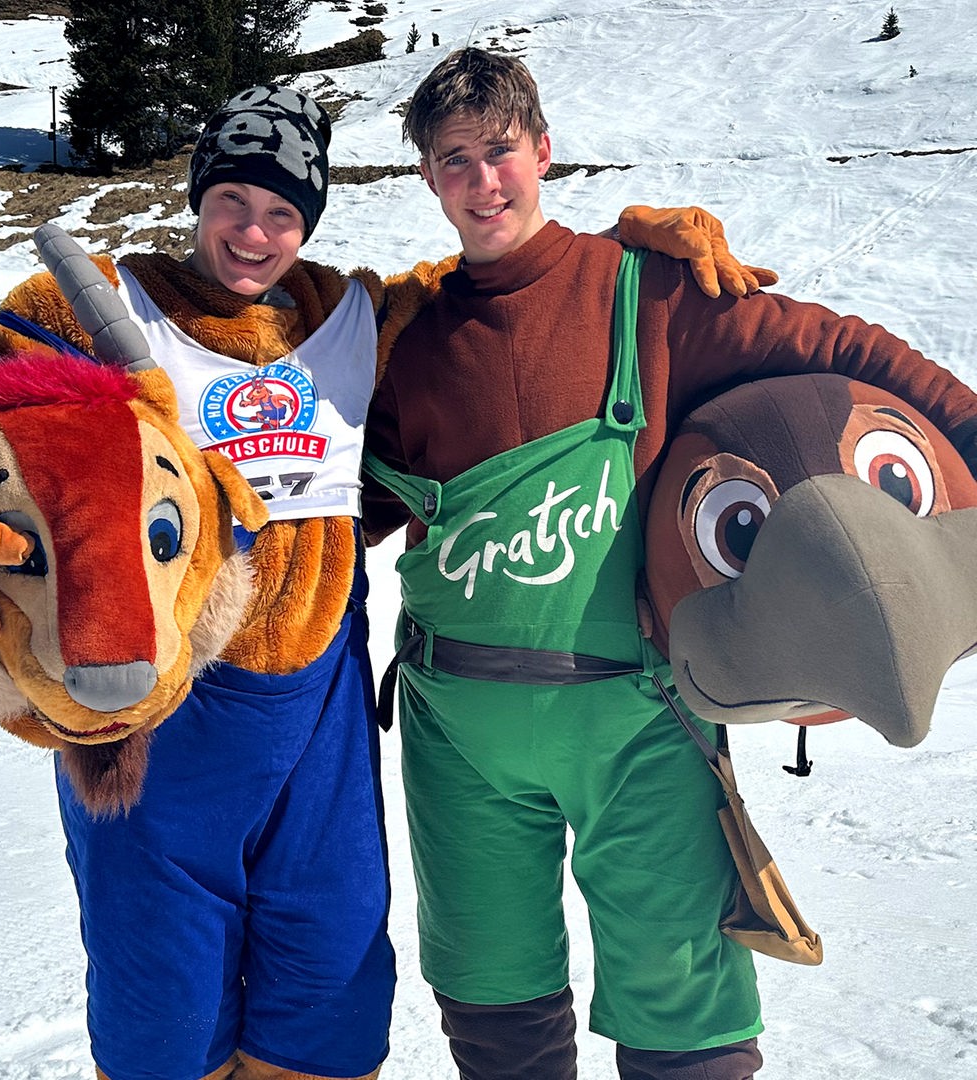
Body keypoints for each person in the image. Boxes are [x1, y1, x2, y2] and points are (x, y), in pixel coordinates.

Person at [0, 84, 756, 1080]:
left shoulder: (349, 315)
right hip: (156, 712)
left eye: (283, 212)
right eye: (233, 202)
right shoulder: (99, 308)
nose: (255, 234)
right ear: (198, 198)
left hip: (321, 719)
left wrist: (629, 260)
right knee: (162, 1008)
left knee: (332, 989)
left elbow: (505, 285)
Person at [362, 47, 977, 1080]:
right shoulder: (411, 341)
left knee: (684, 1008)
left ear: (543, 151)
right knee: (490, 998)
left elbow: (848, 352)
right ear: (428, 176)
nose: (482, 181)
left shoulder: (650, 295)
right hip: (457, 728)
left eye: (500, 151)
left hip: (639, 722)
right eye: (454, 159)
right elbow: (344, 508)